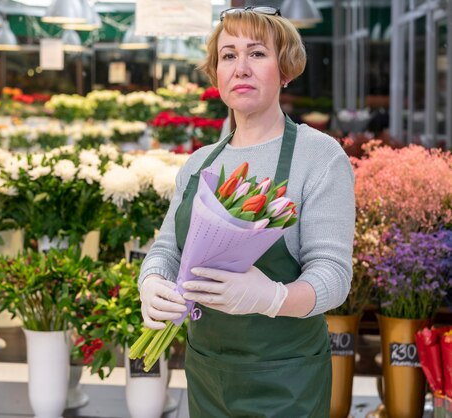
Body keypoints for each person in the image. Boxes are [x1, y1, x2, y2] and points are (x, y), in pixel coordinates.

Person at [138, 6, 355, 417]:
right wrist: (151, 283)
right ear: (216, 73)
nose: (241, 68)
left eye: (257, 54)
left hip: (286, 380)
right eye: (228, 55)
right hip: (207, 372)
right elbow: (167, 248)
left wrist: (271, 297)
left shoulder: (320, 157)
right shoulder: (200, 163)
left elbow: (333, 275)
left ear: (285, 69)